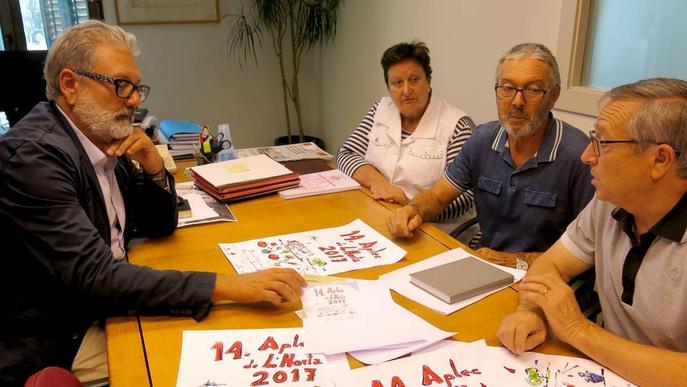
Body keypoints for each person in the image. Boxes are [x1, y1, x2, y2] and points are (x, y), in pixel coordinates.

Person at [0, 20, 306, 387]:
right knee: (215, 349)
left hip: (104, 303)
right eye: (120, 85)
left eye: (136, 87)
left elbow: (160, 224)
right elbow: (96, 276)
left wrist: (155, 167)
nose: (134, 100)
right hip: (62, 338)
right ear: (70, 84)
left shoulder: (98, 137)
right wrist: (228, 286)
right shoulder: (34, 157)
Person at [497, 78, 687, 386]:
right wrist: (531, 311)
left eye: (603, 142)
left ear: (660, 159)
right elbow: (551, 266)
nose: (587, 156)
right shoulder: (608, 203)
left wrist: (579, 331)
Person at [387, 43, 594, 269]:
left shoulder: (579, 156)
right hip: (485, 265)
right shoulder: (482, 140)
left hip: (546, 277)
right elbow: (437, 197)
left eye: (533, 90)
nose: (517, 102)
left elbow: (590, 248)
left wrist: (515, 261)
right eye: (507, 88)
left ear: (553, 95)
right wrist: (413, 209)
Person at [337, 41, 476, 234]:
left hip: (435, 231)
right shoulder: (380, 109)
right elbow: (346, 154)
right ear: (388, 86)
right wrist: (380, 185)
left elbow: (465, 195)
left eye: (414, 80)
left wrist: (412, 206)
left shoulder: (457, 125)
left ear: (428, 80)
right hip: (381, 215)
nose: (406, 90)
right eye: (397, 83)